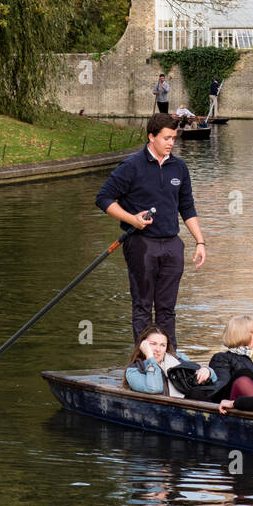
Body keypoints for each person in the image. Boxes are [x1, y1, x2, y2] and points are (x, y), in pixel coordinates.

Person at [96, 113, 206, 349]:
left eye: (174, 138)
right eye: (166, 138)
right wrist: (131, 219)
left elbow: (187, 206)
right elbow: (103, 198)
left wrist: (200, 242)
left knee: (167, 309)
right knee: (143, 306)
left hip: (172, 245)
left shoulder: (179, 167)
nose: (171, 143)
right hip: (141, 244)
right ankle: (143, 361)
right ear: (151, 137)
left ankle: (170, 360)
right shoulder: (131, 166)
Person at [124, 323, 227, 400]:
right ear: (144, 345)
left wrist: (206, 370)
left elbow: (214, 378)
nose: (158, 349)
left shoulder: (178, 358)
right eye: (153, 344)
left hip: (199, 397)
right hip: (180, 405)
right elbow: (154, 388)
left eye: (162, 345)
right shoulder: (133, 371)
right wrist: (150, 358)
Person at [209, 315, 253, 400]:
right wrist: (208, 371)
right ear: (243, 334)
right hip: (247, 400)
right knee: (244, 375)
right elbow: (222, 389)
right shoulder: (222, 358)